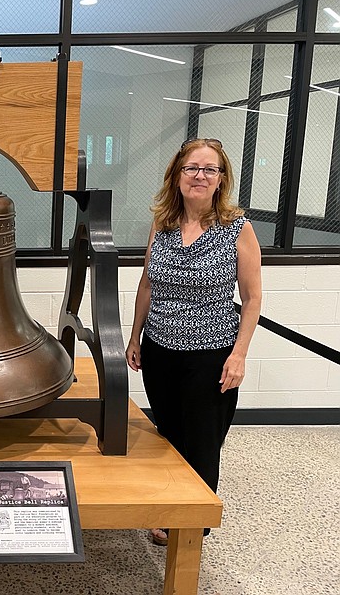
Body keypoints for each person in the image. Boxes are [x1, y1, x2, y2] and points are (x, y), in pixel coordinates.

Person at [125, 138, 261, 547]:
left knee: (202, 441)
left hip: (212, 353)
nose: (199, 176)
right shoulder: (162, 222)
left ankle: (191, 526)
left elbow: (253, 299)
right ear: (177, 175)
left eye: (209, 169)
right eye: (192, 168)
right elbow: (148, 282)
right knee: (170, 435)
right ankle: (172, 506)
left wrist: (238, 356)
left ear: (221, 179)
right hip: (160, 349)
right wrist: (135, 337)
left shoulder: (238, 227)